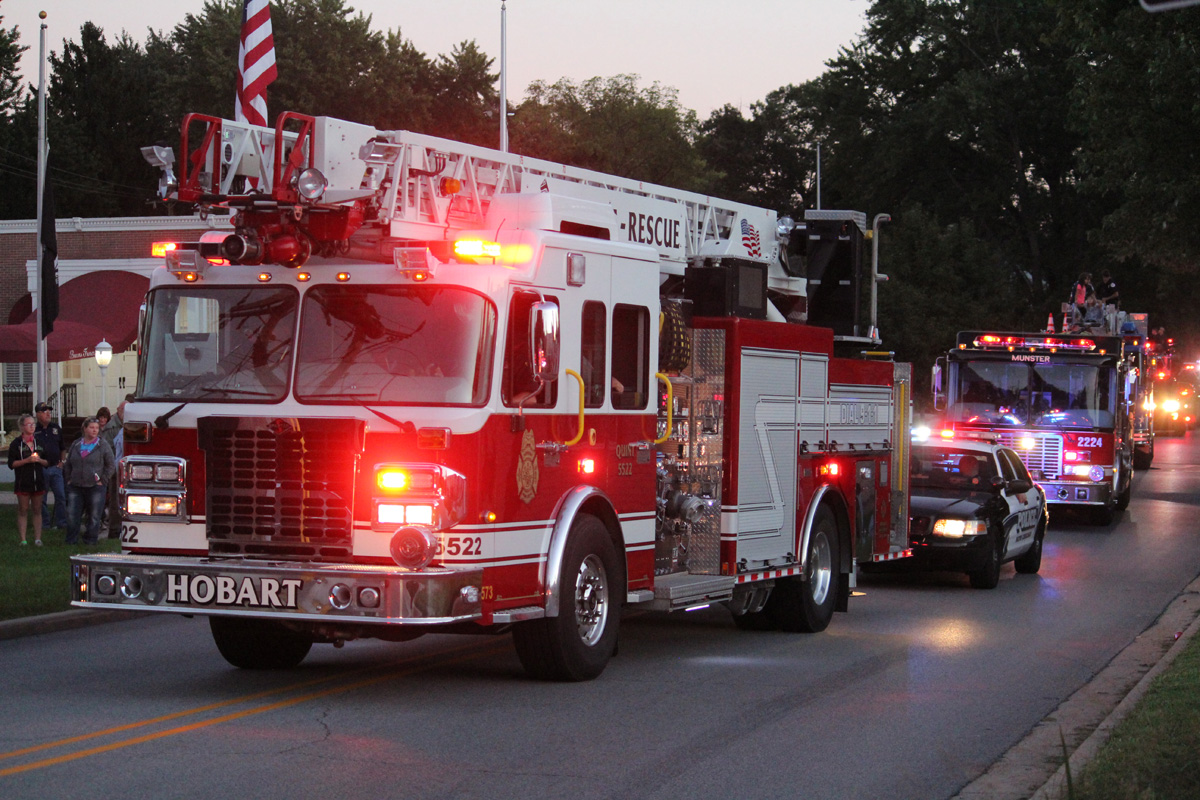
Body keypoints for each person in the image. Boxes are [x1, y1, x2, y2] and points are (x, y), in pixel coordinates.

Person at [63, 417, 115, 546]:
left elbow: (111, 465)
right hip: (75, 485)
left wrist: (103, 480)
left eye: (96, 428)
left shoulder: (102, 445)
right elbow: (68, 463)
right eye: (91, 427)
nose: (94, 430)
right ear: (84, 428)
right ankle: (71, 540)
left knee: (94, 515)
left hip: (95, 486)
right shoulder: (76, 444)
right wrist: (69, 479)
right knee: (72, 514)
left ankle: (90, 540)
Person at [7, 413, 48, 546]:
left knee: (37, 510)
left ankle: (37, 538)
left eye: (33, 424)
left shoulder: (39, 442)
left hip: (38, 481)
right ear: (22, 427)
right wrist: (26, 460)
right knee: (23, 509)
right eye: (29, 424)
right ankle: (23, 539)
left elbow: (48, 461)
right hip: (23, 481)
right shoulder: (16, 444)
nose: (32, 427)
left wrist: (39, 460)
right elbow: (11, 464)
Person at [101, 394, 132, 539]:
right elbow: (107, 450)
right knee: (115, 500)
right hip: (115, 469)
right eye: (123, 410)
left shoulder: (132, 423)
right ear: (118, 410)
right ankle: (114, 530)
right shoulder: (111, 428)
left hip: (130, 468)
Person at [34, 402, 68, 529]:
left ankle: (61, 522)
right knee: (41, 498)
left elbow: (62, 448)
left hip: (56, 468)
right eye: (44, 411)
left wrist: (62, 462)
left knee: (61, 496)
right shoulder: (34, 430)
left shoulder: (56, 428)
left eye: (49, 411)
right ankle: (44, 523)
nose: (48, 413)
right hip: (41, 469)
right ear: (38, 414)